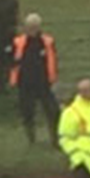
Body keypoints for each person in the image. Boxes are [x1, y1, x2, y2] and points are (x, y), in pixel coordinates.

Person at [9, 13, 61, 146]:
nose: (33, 29)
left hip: (44, 83)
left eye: (35, 26)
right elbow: (11, 61)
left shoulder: (47, 41)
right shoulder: (18, 42)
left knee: (53, 111)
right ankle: (31, 140)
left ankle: (55, 139)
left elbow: (53, 60)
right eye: (30, 26)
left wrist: (53, 79)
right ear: (26, 27)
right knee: (27, 112)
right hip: (24, 83)